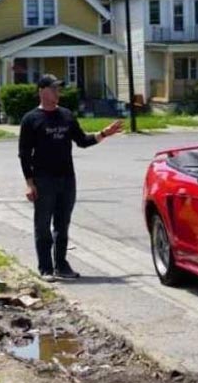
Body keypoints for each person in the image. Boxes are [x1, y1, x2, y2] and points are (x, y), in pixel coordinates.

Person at [19, 74, 123, 282]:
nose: (58, 92)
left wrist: (104, 133)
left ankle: (61, 264)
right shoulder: (31, 119)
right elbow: (24, 153)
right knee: (43, 225)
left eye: (59, 89)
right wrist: (30, 184)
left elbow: (82, 140)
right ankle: (45, 267)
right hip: (43, 179)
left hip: (67, 179)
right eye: (54, 88)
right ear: (42, 91)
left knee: (62, 225)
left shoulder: (66, 115)